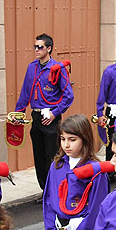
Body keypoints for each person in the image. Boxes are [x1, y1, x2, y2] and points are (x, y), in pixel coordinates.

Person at [14, 33, 74, 195]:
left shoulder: (58, 69)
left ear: (49, 49)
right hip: (37, 115)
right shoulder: (32, 67)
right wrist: (18, 114)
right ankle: (45, 190)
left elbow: (68, 96)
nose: (36, 50)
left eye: (40, 47)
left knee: (52, 156)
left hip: (51, 117)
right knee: (39, 156)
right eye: (35, 46)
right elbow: (25, 94)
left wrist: (55, 113)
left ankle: (56, 190)